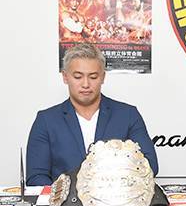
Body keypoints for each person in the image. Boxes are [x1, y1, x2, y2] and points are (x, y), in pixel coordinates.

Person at [26, 44, 158, 186]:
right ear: (65, 77)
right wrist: (63, 196)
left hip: (117, 198)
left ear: (103, 77)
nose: (86, 84)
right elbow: (36, 177)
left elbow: (149, 166)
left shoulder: (128, 115)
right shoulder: (46, 120)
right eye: (78, 77)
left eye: (93, 77)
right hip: (63, 200)